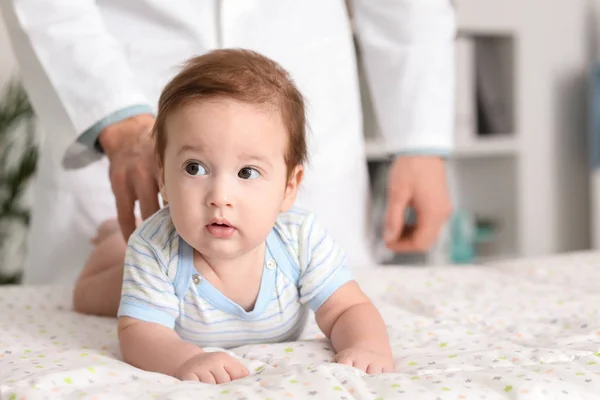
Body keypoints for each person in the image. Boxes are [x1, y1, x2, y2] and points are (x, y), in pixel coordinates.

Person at [0, 1, 455, 286]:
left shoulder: (313, 255)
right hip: (126, 82)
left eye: (244, 175)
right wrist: (116, 120)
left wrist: (421, 138)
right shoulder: (141, 264)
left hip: (306, 72)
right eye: (200, 173)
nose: (222, 197)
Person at [110, 49, 394, 382]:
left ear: (290, 187)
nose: (220, 197)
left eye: (247, 172)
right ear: (163, 179)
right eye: (194, 168)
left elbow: (347, 308)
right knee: (102, 292)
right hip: (150, 272)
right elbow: (139, 333)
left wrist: (368, 347)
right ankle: (110, 248)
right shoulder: (155, 247)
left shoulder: (299, 238)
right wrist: (184, 360)